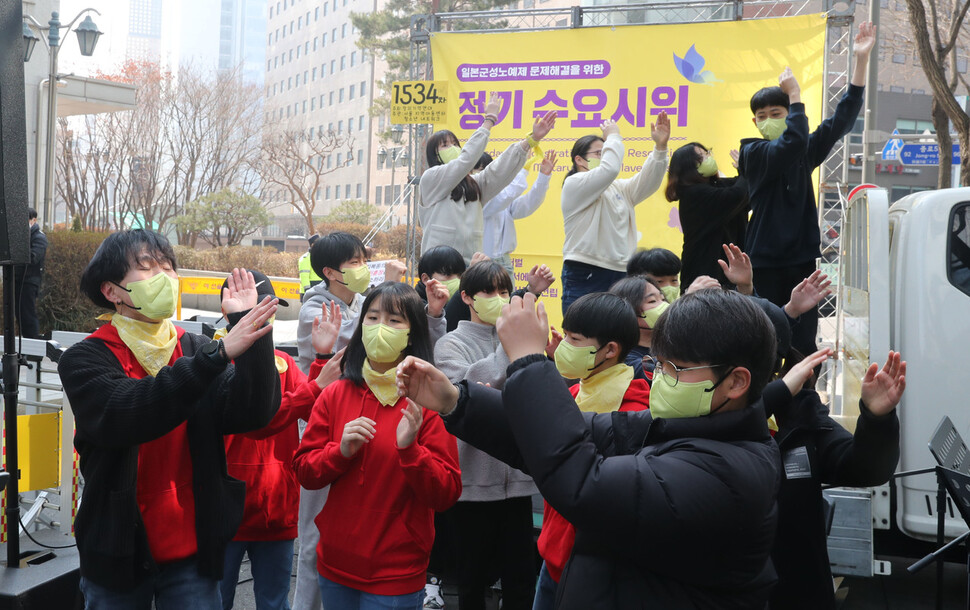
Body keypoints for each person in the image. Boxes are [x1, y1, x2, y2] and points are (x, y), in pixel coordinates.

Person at [396, 289, 791, 608]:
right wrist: (455, 400)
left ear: (736, 382)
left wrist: (530, 361)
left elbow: (582, 480)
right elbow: (570, 433)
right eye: (660, 364)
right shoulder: (686, 430)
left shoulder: (728, 472)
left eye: (676, 370)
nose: (660, 377)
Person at [60, 230, 281, 607]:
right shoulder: (86, 357)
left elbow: (254, 411)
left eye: (168, 266)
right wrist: (218, 355)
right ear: (112, 291)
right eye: (146, 268)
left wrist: (253, 335)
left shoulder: (194, 347)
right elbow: (129, 410)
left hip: (194, 548)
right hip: (117, 549)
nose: (163, 276)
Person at [292, 231, 449, 610]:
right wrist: (338, 451)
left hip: (396, 572)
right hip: (338, 565)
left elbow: (445, 492)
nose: (379, 326)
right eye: (373, 319)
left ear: (412, 333)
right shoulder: (335, 393)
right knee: (309, 542)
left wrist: (411, 450)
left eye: (394, 320)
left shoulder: (424, 400)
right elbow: (305, 468)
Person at [739, 22, 875, 356]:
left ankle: (802, 400)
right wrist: (796, 96)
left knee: (803, 341)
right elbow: (793, 140)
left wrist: (860, 61)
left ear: (787, 115)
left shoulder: (802, 152)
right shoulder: (753, 152)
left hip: (801, 258)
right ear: (755, 123)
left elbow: (841, 120)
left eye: (777, 112)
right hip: (764, 260)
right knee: (764, 337)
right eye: (762, 115)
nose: (768, 119)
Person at [217, 270, 344, 610]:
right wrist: (315, 385)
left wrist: (320, 358)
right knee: (215, 601)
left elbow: (315, 414)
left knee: (274, 603)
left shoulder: (284, 363)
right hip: (226, 514)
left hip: (276, 513)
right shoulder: (216, 360)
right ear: (230, 310)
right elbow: (259, 423)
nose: (265, 315)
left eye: (270, 308)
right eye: (258, 307)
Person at [532, 292, 650, 610]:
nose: (565, 346)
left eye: (575, 339)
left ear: (610, 350)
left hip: (596, 568)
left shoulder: (635, 411)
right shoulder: (572, 391)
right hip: (551, 555)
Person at [433, 261, 537, 610]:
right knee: (472, 582)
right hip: (473, 487)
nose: (499, 298)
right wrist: (512, 342)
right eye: (489, 291)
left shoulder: (521, 340)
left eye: (505, 291)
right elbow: (477, 387)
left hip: (520, 482)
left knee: (521, 581)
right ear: (467, 297)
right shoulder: (450, 345)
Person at [768, 346, 902, 610]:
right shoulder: (712, 418)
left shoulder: (803, 418)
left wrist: (876, 419)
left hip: (798, 592)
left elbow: (868, 469)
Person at [419, 94, 557, 264]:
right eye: (445, 145)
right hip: (439, 266)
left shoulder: (474, 183)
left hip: (470, 267)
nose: (453, 148)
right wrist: (489, 120)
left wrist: (530, 140)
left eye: (455, 144)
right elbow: (466, 160)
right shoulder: (431, 179)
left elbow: (497, 171)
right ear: (435, 155)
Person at [560, 114, 670, 314]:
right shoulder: (574, 184)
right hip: (586, 269)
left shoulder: (619, 188)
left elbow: (649, 181)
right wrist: (613, 136)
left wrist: (660, 148)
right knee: (584, 333)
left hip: (621, 271)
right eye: (598, 153)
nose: (604, 157)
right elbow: (609, 169)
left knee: (617, 335)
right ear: (579, 160)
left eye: (606, 152)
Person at [665, 143, 749, 290]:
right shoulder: (693, 194)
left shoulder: (716, 186)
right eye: (702, 157)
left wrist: (747, 171)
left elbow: (745, 192)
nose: (709, 158)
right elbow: (737, 195)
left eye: (708, 153)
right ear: (688, 167)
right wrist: (747, 170)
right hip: (704, 275)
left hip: (731, 272)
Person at [478, 150, 557, 276]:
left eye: (487, 171)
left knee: (507, 296)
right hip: (481, 263)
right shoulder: (474, 199)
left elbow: (529, 204)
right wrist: (523, 169)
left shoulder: (501, 196)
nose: (482, 176)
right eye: (478, 170)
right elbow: (508, 195)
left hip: (504, 263)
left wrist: (543, 176)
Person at [608, 275, 668, 382]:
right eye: (652, 301)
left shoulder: (669, 342)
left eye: (663, 299)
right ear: (627, 310)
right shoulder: (625, 359)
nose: (664, 305)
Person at [15, 208, 47, 338]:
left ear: (33, 220)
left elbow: (33, 257)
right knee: (20, 314)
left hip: (29, 281)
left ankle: (33, 346)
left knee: (27, 314)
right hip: (18, 280)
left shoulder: (39, 237)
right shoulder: (22, 237)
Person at [298, 235, 323, 303]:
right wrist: (308, 291)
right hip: (309, 290)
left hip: (320, 290)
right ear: (312, 244)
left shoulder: (322, 256)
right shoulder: (305, 258)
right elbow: (304, 277)